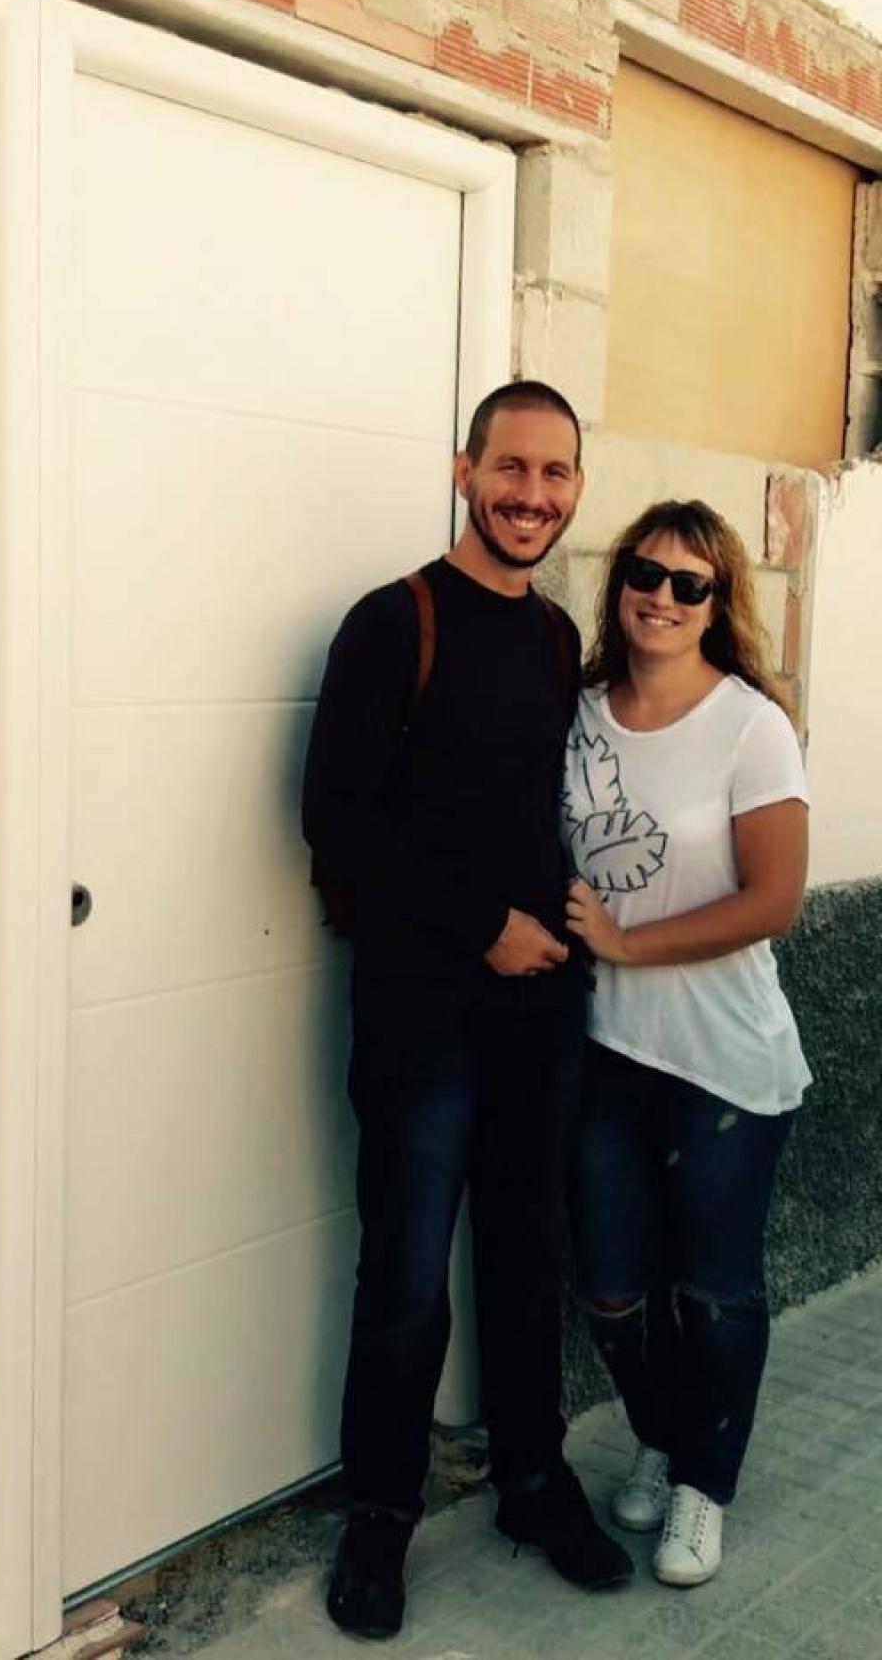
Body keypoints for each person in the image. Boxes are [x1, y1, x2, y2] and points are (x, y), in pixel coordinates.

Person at [302, 381, 633, 1641]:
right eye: (511, 467)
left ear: (575, 488)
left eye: (555, 473)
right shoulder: (394, 621)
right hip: (421, 1015)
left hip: (537, 1011)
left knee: (526, 1252)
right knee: (405, 1270)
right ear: (465, 470)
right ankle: (381, 1514)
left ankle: (533, 1482)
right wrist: (482, 923)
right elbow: (334, 819)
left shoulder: (553, 636)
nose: (531, 494)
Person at [562, 499, 810, 1589]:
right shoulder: (578, 713)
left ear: (718, 603)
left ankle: (704, 1485)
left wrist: (626, 940)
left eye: (689, 583)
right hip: (607, 1049)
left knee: (713, 1291)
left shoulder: (751, 726)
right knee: (613, 1287)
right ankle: (663, 1436)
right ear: (620, 583)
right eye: (645, 574)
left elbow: (775, 899)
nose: (661, 596)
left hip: (724, 1061)